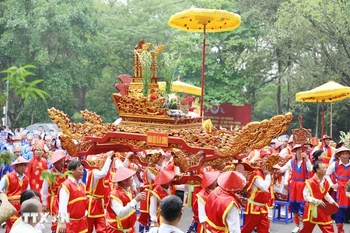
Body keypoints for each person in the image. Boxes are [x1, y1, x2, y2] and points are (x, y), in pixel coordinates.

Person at [278, 144, 313, 233]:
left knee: (303, 207)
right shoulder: (291, 161)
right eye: (298, 150)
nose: (300, 151)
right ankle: (297, 226)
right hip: (293, 186)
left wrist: (308, 159)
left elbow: (310, 169)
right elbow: (283, 169)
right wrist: (275, 167)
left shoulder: (306, 161)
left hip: (303, 185)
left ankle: (305, 226)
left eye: (302, 150)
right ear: (295, 151)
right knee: (294, 206)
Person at [105, 166, 146, 233]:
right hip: (117, 231)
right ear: (124, 181)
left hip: (129, 229)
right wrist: (135, 200)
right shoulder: (115, 194)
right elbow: (121, 213)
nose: (133, 178)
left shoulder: (127, 190)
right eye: (130, 177)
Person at [299, 161, 337, 233]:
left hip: (322, 208)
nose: (325, 169)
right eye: (323, 168)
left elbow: (326, 194)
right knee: (306, 230)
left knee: (329, 228)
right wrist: (316, 201)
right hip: (311, 210)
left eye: (325, 168)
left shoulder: (326, 181)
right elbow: (306, 196)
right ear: (317, 170)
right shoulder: (310, 182)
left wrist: (333, 202)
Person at [241, 154, 272, 233]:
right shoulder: (257, 174)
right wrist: (268, 175)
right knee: (247, 229)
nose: (267, 161)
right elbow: (264, 187)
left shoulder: (265, 173)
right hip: (254, 207)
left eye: (268, 159)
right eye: (265, 159)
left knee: (264, 229)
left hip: (263, 207)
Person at [86, 151, 114, 233]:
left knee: (102, 229)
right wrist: (108, 158)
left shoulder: (99, 172)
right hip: (91, 204)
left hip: (99, 203)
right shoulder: (95, 172)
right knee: (88, 229)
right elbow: (103, 173)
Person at [0, 157, 30, 233]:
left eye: (24, 165)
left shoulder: (26, 179)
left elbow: (28, 192)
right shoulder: (7, 177)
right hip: (11, 207)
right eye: (20, 165)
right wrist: (3, 200)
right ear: (16, 166)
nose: (23, 167)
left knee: (21, 225)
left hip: (22, 206)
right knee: (12, 226)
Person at [58, 160, 88, 233]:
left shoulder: (82, 185)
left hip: (81, 221)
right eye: (80, 169)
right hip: (70, 223)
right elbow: (62, 205)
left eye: (83, 170)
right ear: (72, 170)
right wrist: (62, 222)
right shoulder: (66, 186)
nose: (82, 171)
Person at [41, 150, 67, 233]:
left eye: (62, 160)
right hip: (55, 200)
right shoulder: (49, 174)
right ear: (54, 163)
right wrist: (44, 203)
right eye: (59, 162)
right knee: (56, 221)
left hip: (66, 199)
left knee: (66, 219)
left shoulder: (67, 172)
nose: (62, 163)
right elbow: (44, 190)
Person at [325, 146, 350, 233]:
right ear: (339, 155)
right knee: (339, 212)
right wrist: (332, 184)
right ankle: (340, 230)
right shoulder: (334, 165)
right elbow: (326, 175)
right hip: (339, 192)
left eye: (346, 153)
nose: (345, 156)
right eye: (343, 154)